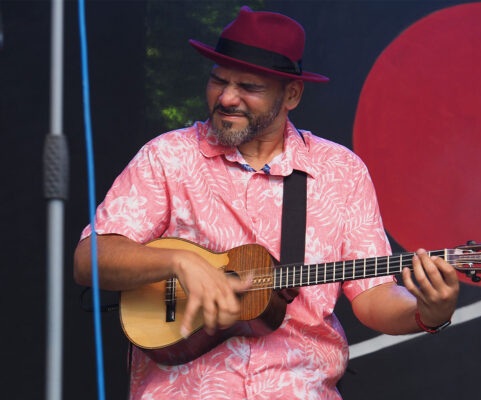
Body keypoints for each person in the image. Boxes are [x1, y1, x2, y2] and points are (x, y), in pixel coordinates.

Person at [74, 6, 459, 399]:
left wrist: (428, 313)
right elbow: (89, 260)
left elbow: (374, 297)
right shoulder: (168, 157)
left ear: (291, 94)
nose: (226, 98)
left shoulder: (341, 171)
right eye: (218, 81)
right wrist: (179, 262)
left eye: (249, 87)